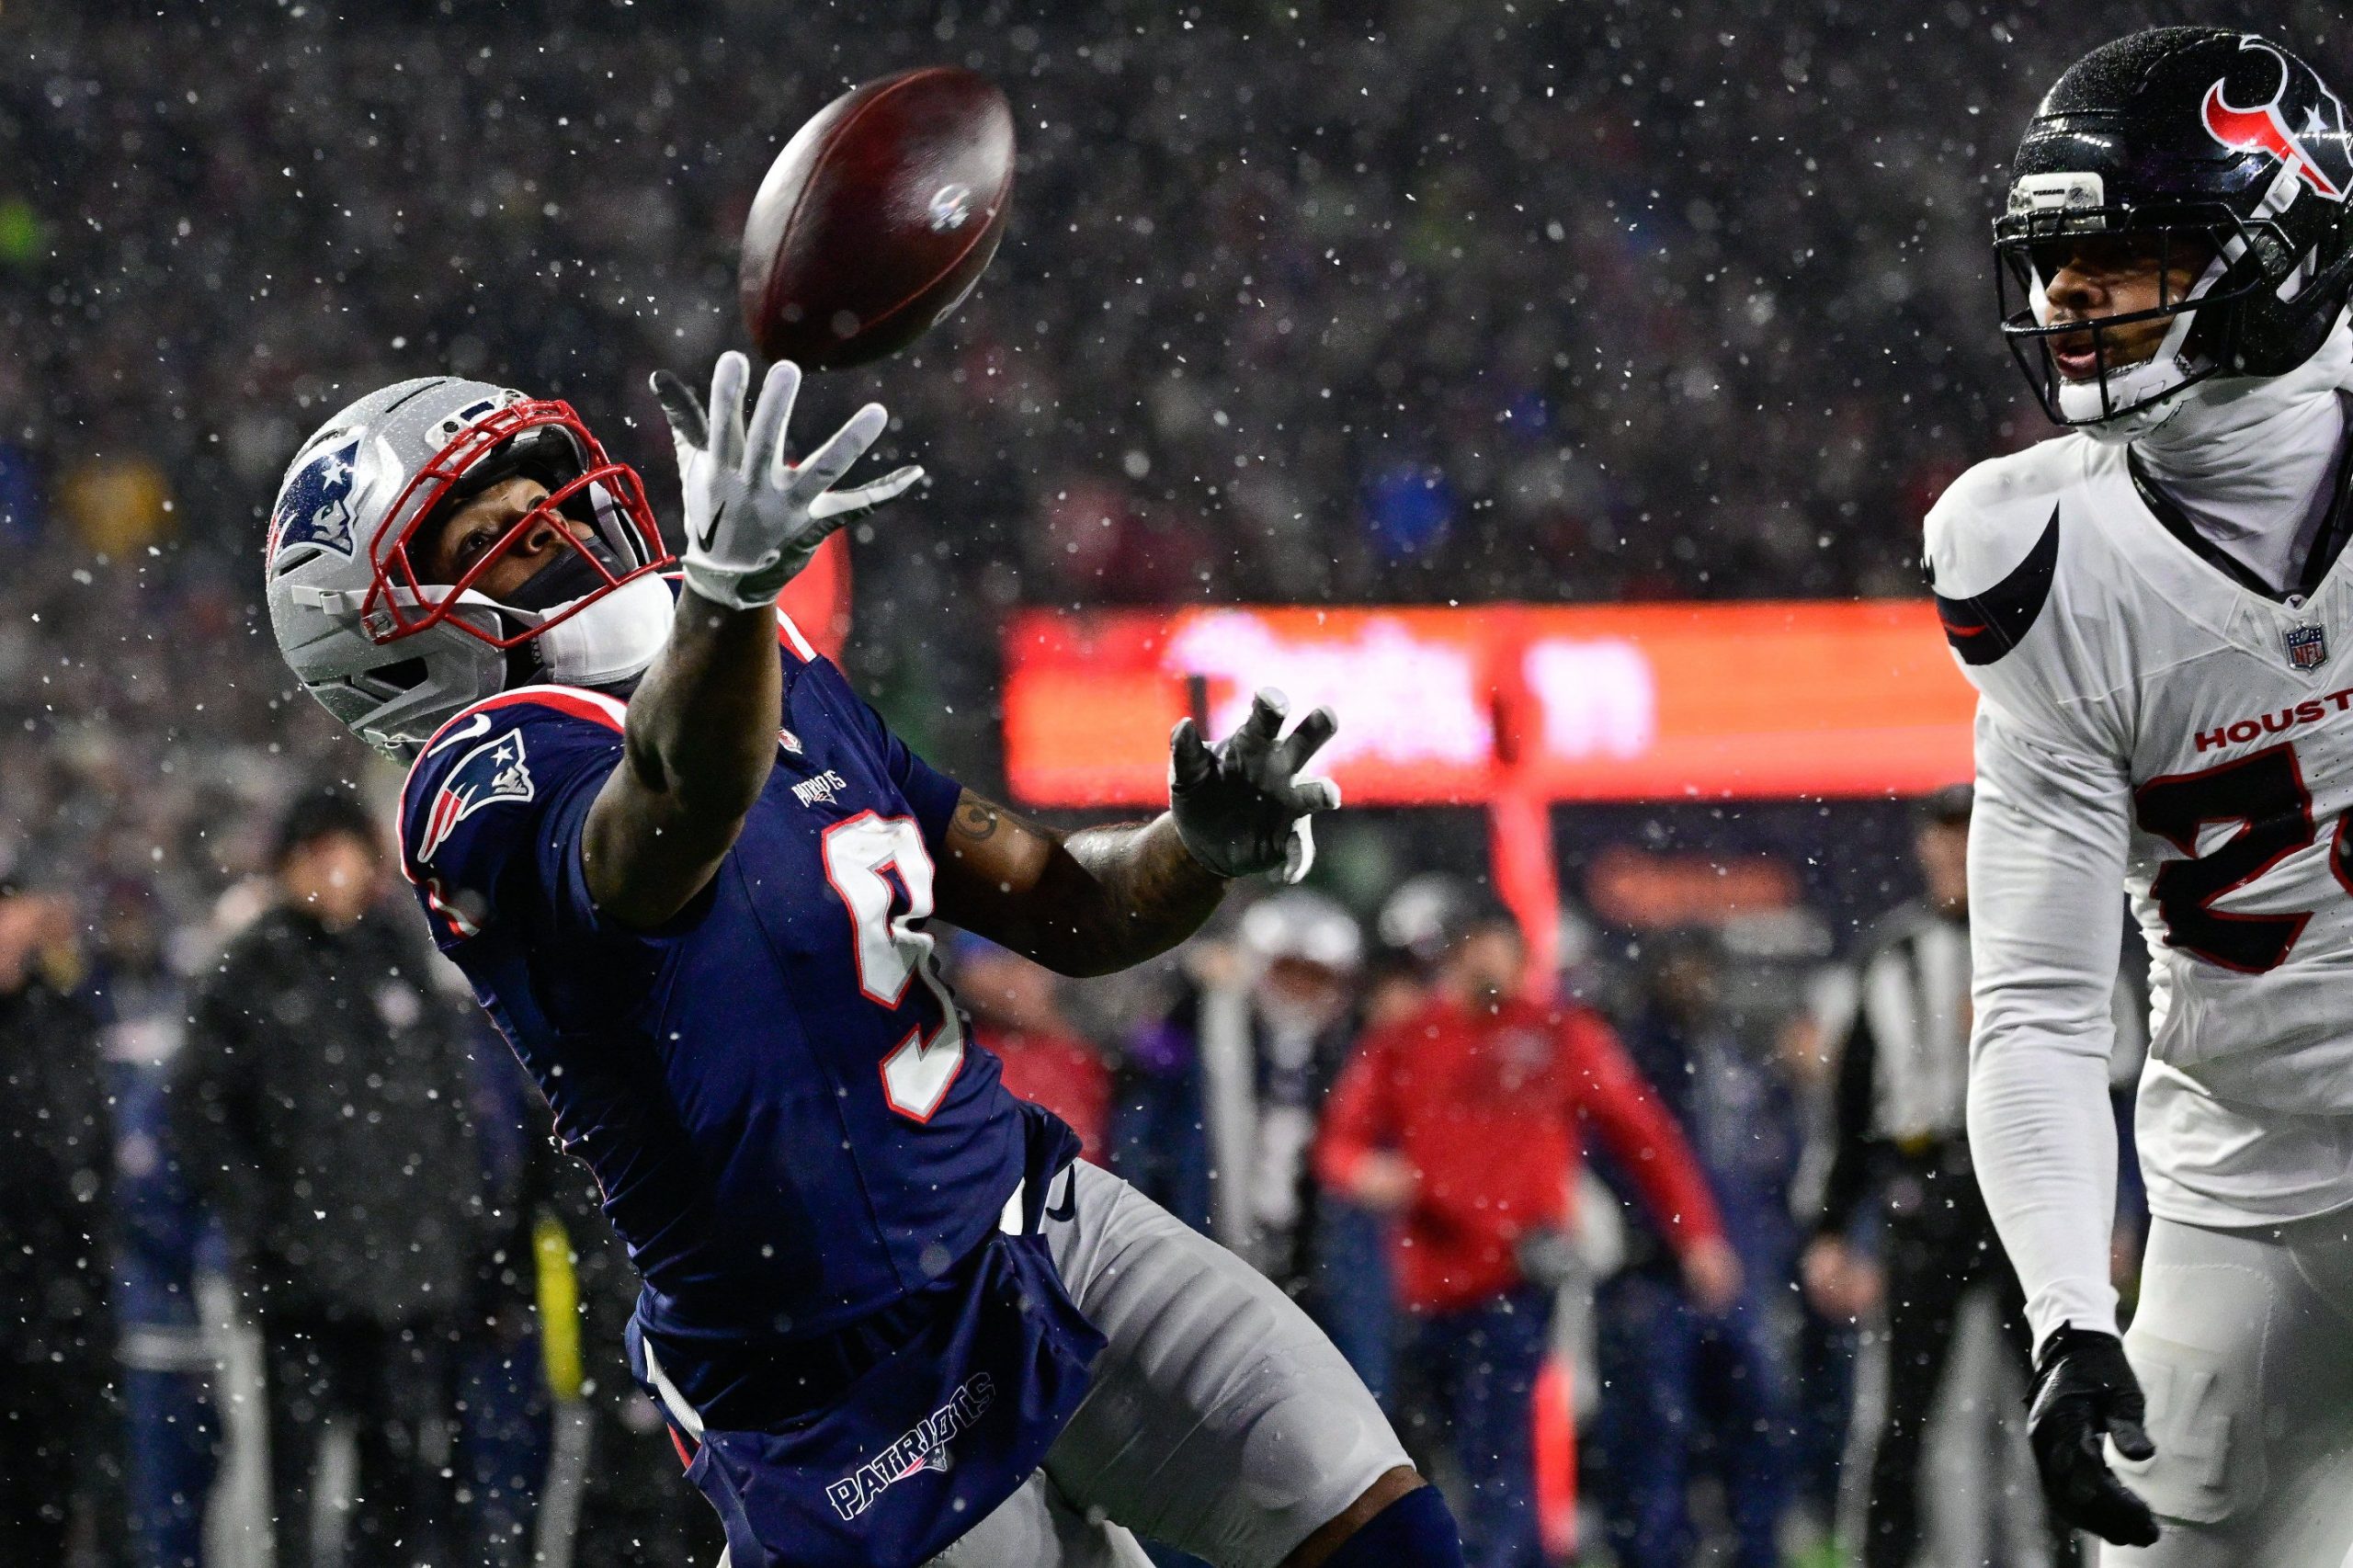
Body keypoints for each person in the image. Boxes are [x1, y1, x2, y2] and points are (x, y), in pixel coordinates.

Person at [263, 355, 1461, 1568]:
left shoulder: (769, 653)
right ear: (385, 631)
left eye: (556, 493)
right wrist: (725, 602)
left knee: (1383, 1529)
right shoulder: (477, 780)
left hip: (1028, 1215)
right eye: (494, 529)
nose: (559, 526)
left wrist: (1193, 850)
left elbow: (1066, 904)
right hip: (825, 1379)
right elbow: (667, 819)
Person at [1931, 27, 2353, 1562]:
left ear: (2282, 239)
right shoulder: (2046, 570)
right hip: (2246, 1213)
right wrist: (2062, 1309)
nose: (2067, 301)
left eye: (2121, 253)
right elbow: (2035, 1006)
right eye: (2053, 264)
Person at [1314, 902, 1741, 1568]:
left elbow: (1647, 1138)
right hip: (1425, 1286)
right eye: (1477, 950)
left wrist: (1699, 1235)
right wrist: (1367, 1171)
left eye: (1501, 951)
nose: (1490, 968)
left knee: (1496, 1458)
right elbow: (1340, 1142)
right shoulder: (1407, 1040)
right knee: (1434, 1461)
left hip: (1514, 1277)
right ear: (1453, 957)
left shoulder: (1559, 1035)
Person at [169, 790, 491, 1568]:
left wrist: (456, 1230)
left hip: (406, 1283)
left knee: (400, 1480)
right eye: (314, 851)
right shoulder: (250, 968)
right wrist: (266, 1224)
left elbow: (451, 1112)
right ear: (286, 864)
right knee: (294, 1484)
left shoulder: (401, 956)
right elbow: (199, 1112)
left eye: (344, 849)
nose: (332, 868)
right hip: (301, 1287)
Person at [1801, 788, 2073, 1568]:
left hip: (2025, 1190)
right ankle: (1884, 1557)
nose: (1953, 860)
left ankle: (2076, 1554)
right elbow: (1851, 1103)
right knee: (1900, 1413)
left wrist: (2110, 1209)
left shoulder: (2038, 942)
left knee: (2059, 1396)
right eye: (1942, 844)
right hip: (1925, 1191)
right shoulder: (1892, 953)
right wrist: (1829, 1227)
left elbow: (2103, 1085)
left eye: (1967, 842)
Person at [1591, 927, 1798, 1568]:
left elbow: (1758, 1163)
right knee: (1654, 1434)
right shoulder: (1630, 1056)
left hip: (1731, 1271)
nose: (1692, 983)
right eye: (1678, 969)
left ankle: (1751, 1551)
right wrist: (1668, 1242)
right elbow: (1622, 1163)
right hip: (1654, 1275)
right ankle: (1653, 1554)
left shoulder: (1726, 1052)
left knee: (1756, 1426)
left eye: (1701, 969)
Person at [1114, 889, 1363, 1289]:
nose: (1298, 988)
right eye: (1287, 971)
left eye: (1313, 976)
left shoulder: (1350, 1050)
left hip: (1309, 1252)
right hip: (1207, 1230)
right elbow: (1140, 1073)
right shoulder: (1203, 1028)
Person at [0, 885, 118, 1562]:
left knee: (46, 1507)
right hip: (40, 1296)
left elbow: (87, 1160)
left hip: (52, 1313)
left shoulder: (61, 1021)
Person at [954, 937, 1114, 1161]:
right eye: (1012, 967)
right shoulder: (965, 1054)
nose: (1023, 981)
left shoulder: (1079, 1056)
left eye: (1030, 968)